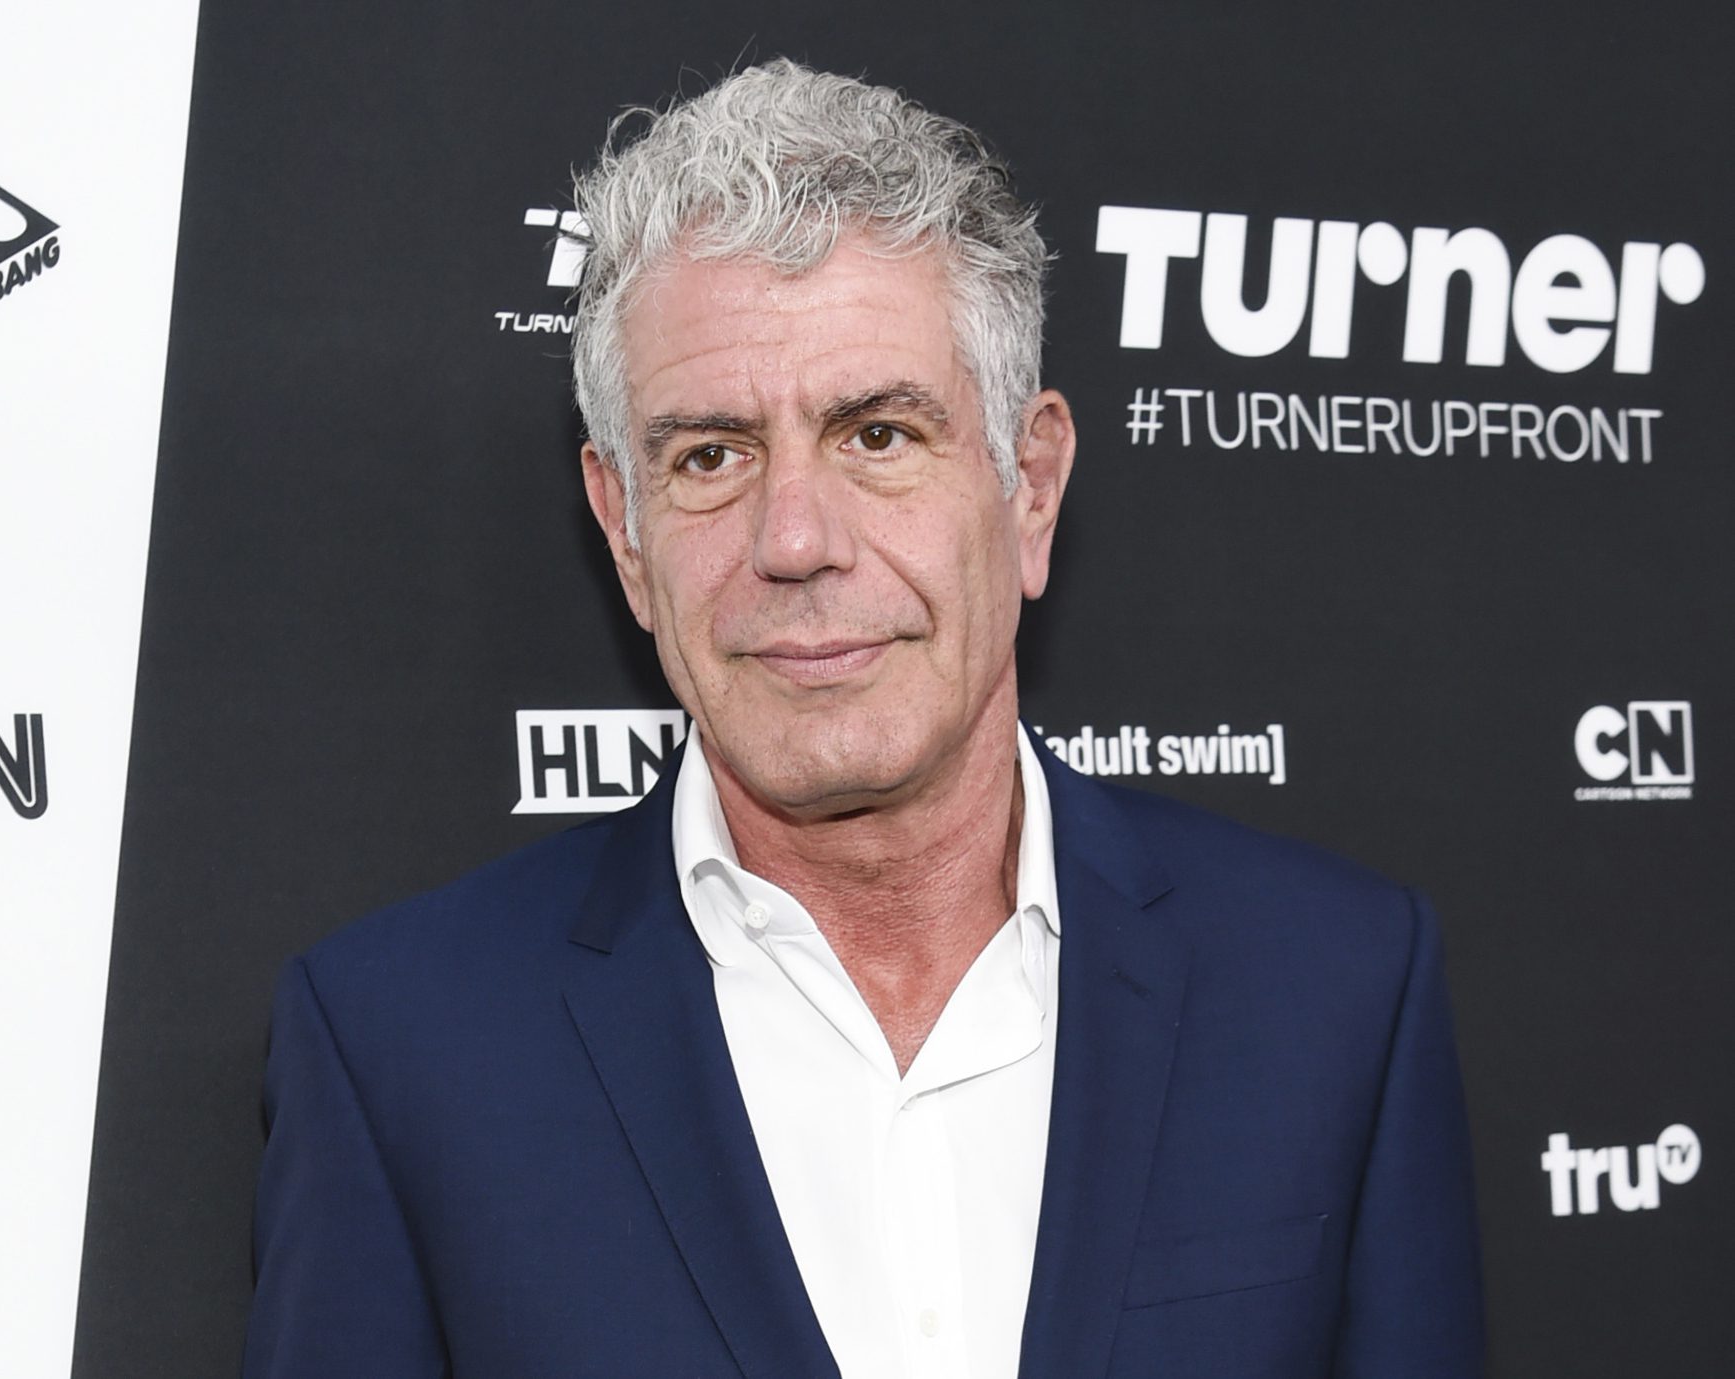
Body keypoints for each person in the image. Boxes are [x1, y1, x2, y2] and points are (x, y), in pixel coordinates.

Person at [243, 60, 1484, 1379]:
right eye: (709, 456)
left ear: (1030, 489)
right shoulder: (398, 1047)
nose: (795, 541)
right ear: (625, 533)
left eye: (879, 435)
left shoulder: (1335, 986)